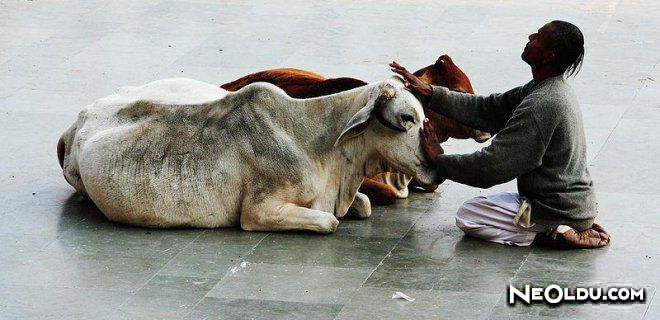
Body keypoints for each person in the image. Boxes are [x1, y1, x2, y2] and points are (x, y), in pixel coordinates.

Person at [390, 20, 610, 248]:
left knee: (468, 215)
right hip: (568, 204)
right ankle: (567, 225)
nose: (530, 37)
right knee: (483, 204)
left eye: (538, 37)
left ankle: (554, 233)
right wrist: (431, 94)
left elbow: (491, 167)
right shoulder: (547, 88)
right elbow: (490, 109)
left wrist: (439, 160)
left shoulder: (542, 103)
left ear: (548, 57)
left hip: (554, 209)